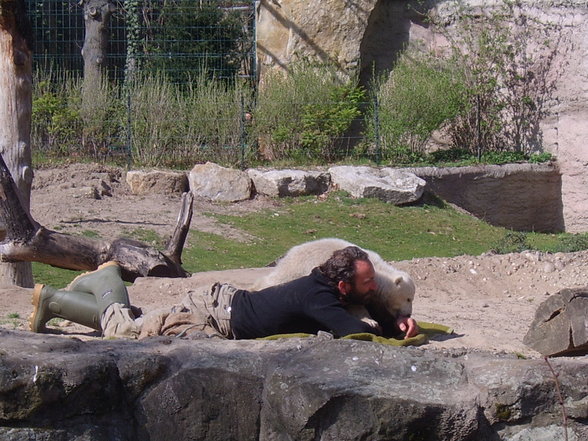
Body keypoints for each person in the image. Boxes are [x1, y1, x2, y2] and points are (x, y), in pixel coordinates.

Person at [29, 246, 418, 340]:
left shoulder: (332, 287)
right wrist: (392, 332)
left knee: (138, 326)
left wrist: (397, 318)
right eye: (368, 282)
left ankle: (53, 301)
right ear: (343, 284)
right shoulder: (318, 298)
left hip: (223, 305)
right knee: (127, 335)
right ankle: (107, 281)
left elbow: (368, 305)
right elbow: (354, 334)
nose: (373, 288)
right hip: (213, 315)